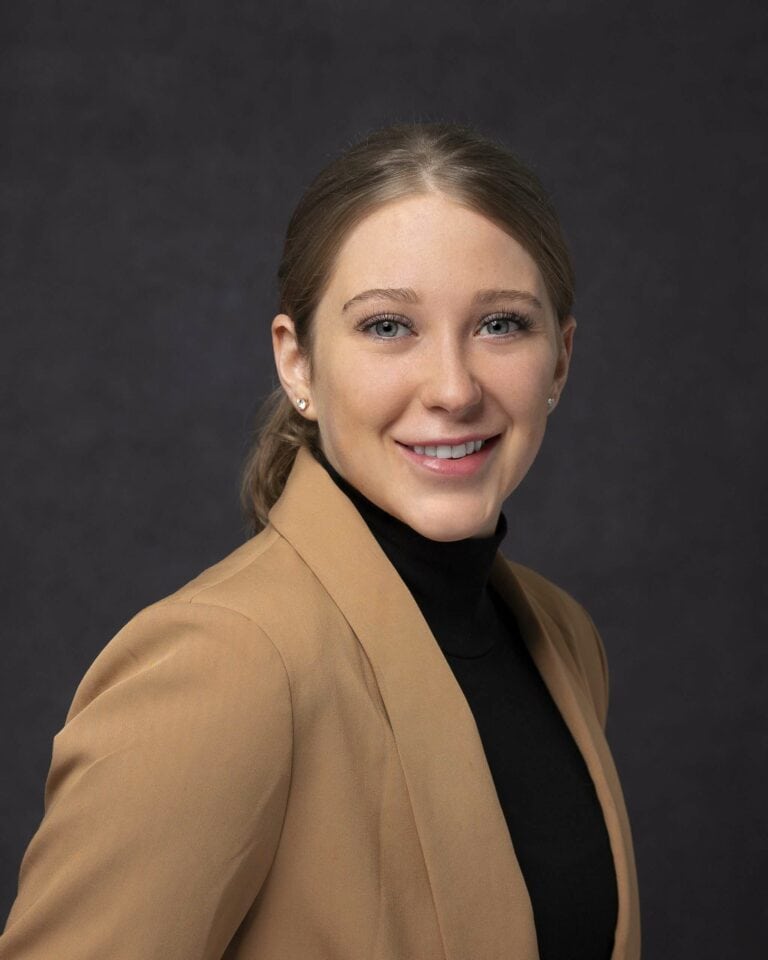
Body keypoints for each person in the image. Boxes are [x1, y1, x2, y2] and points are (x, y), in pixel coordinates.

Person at [0, 122, 641, 960]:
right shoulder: (225, 663)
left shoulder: (563, 640)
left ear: (558, 360)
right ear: (297, 364)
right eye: (387, 327)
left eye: (500, 325)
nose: (452, 388)